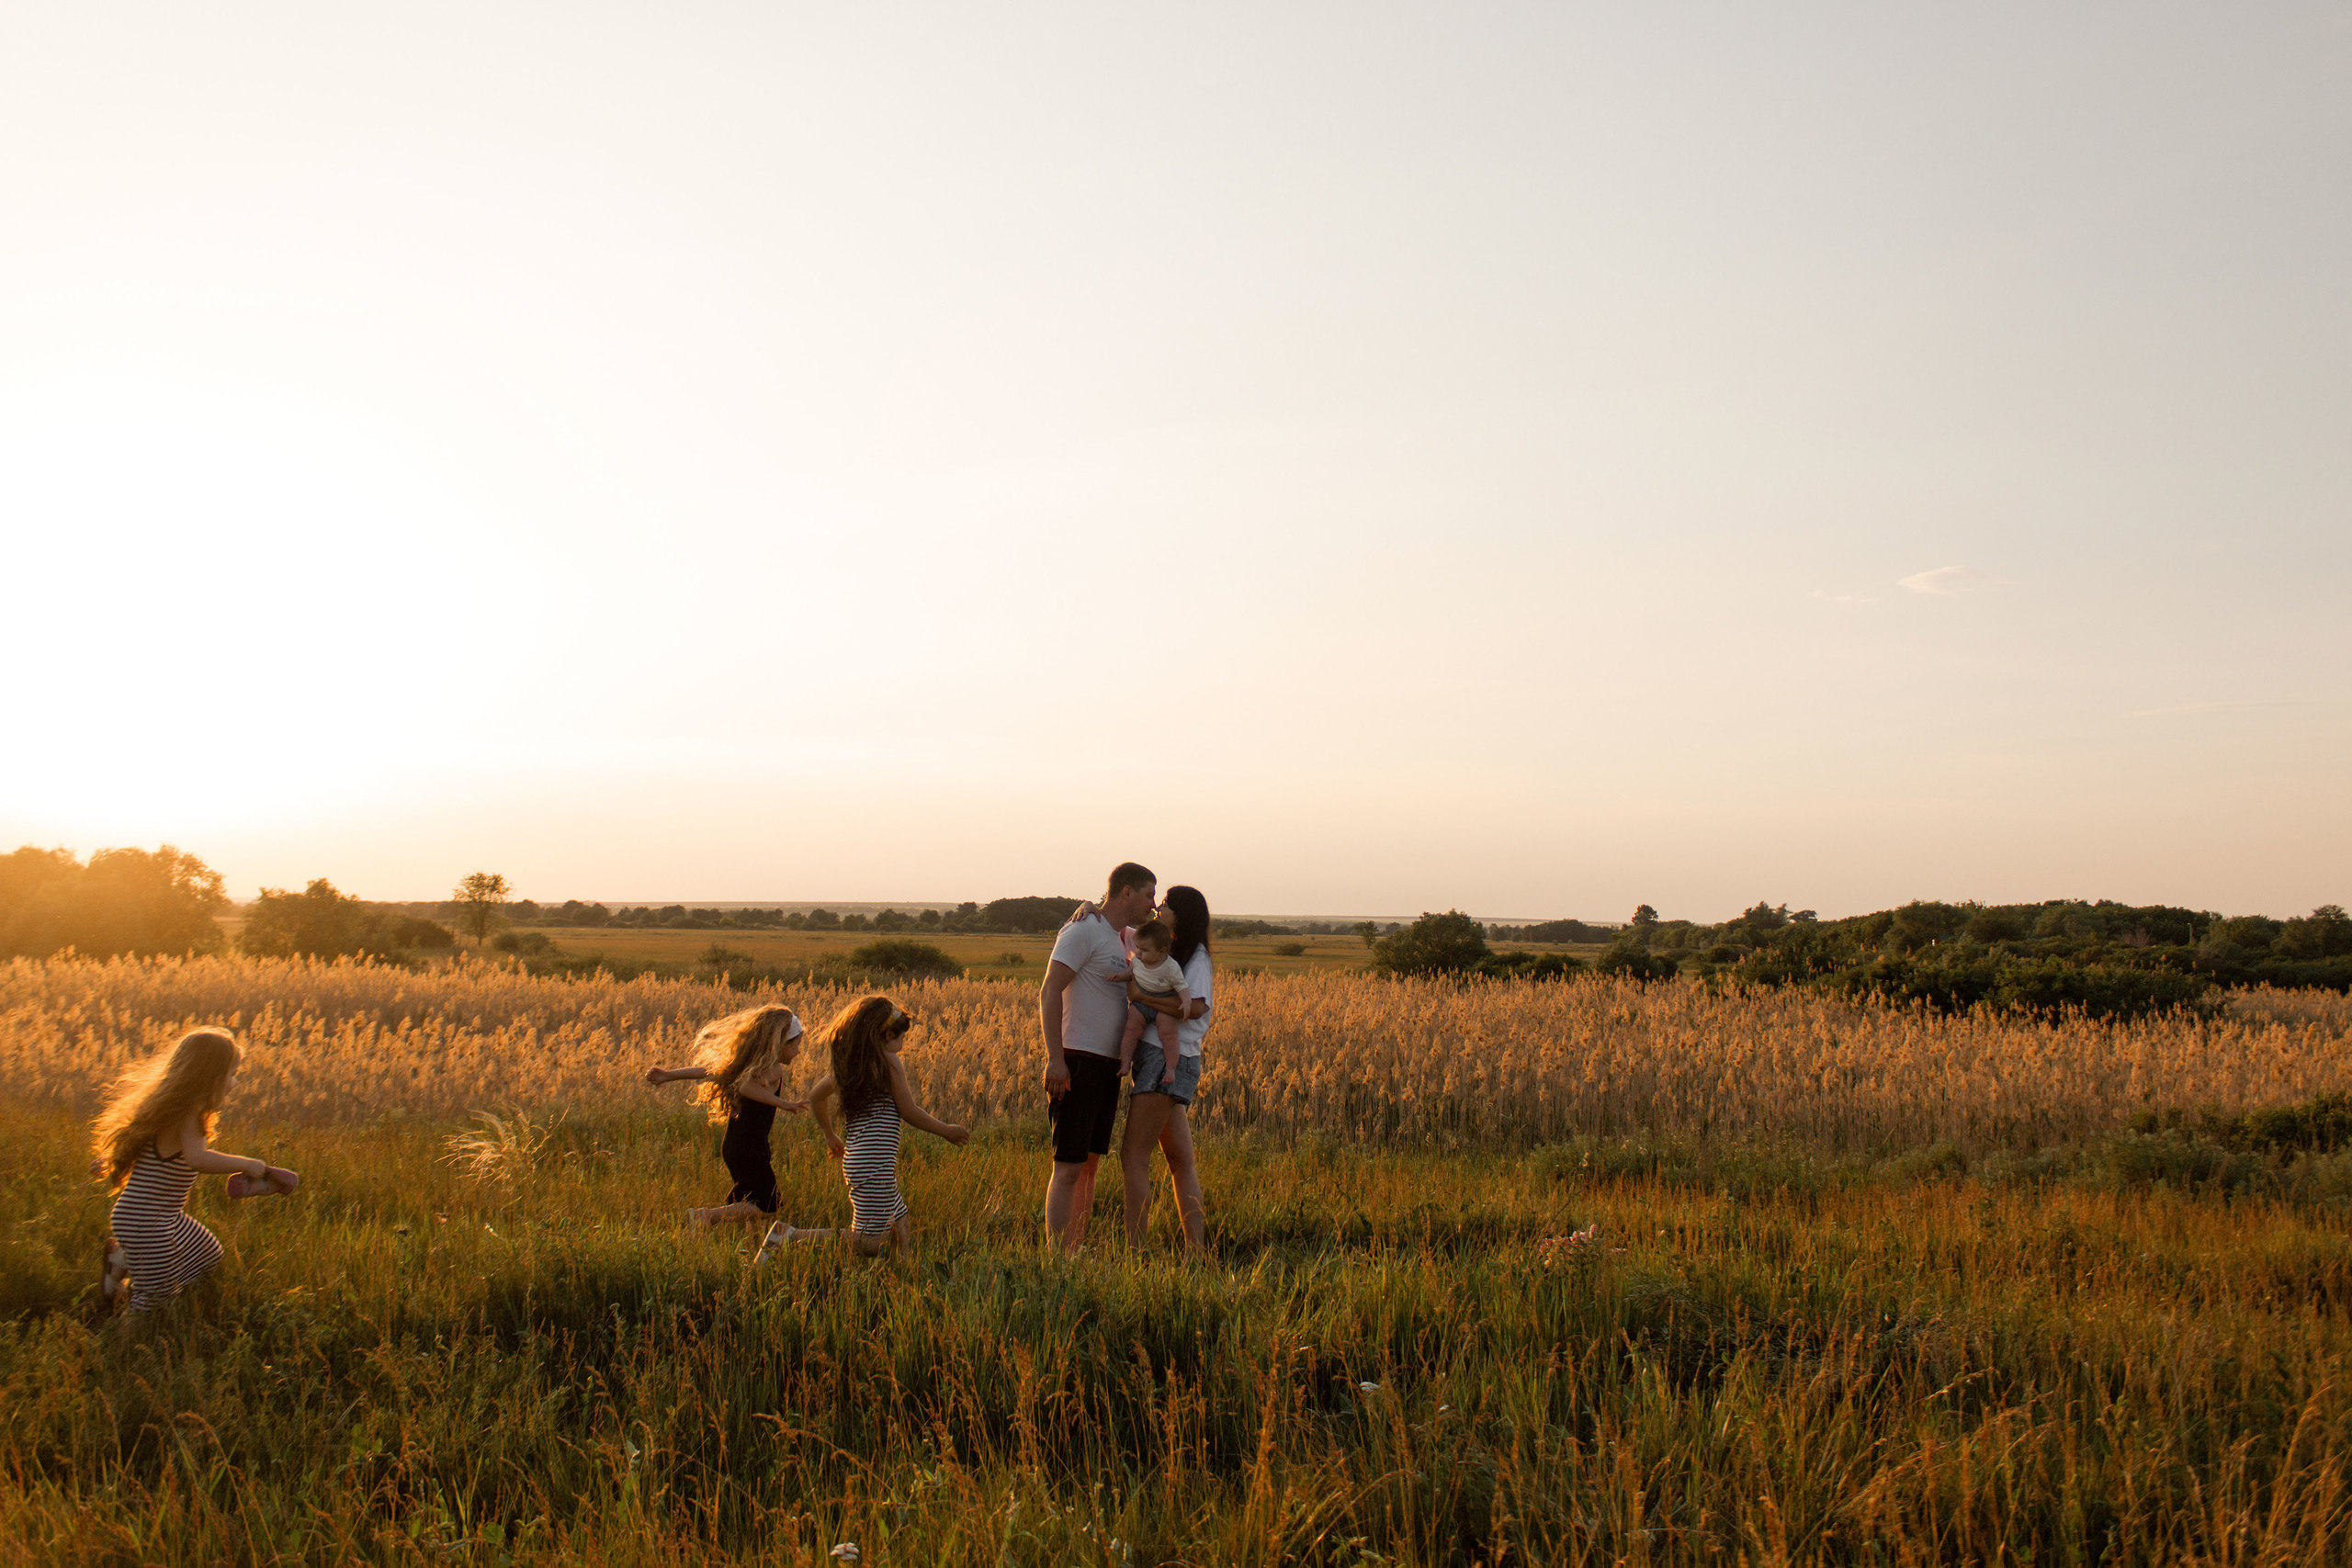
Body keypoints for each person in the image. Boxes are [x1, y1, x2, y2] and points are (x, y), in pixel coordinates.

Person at [91, 1028, 299, 1316]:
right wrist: (246, 1164)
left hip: (154, 1215)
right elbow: (197, 1159)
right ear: (210, 1076)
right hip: (147, 1221)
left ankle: (120, 1260)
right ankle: (120, 1342)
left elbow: (138, 1142)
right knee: (155, 1298)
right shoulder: (189, 1113)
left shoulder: (169, 1109)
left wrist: (108, 1160)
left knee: (207, 1252)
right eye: (231, 1074)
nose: (234, 1082)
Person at [759, 995, 967, 1260]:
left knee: (899, 1222)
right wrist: (946, 1130)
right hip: (874, 1163)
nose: (902, 1044)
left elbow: (816, 1096)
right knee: (868, 1242)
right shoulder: (889, 1061)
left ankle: (901, 1274)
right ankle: (792, 1236)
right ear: (887, 1034)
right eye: (901, 1037)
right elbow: (909, 1111)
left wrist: (829, 1134)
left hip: (863, 1160)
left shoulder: (850, 1065)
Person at [1039, 862, 1159, 1251]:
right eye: (1148, 895)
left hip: (1108, 1067)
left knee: (1090, 1165)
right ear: (1126, 893)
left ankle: (1076, 1249)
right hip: (1076, 1060)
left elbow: (1164, 941)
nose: (1153, 905)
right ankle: (1058, 1258)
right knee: (1069, 1166)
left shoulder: (1123, 937)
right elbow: (1049, 991)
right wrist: (1055, 1059)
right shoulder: (1082, 930)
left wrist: (1090, 902)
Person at [643, 1002, 808, 1229]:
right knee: (768, 1206)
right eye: (797, 1044)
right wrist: (784, 1103)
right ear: (780, 1044)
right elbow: (746, 1088)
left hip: (736, 1146)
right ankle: (705, 1216)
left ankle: (756, 1248)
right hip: (749, 1148)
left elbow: (708, 1072)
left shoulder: (747, 1066)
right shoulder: (772, 1070)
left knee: (750, 1201)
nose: (799, 1050)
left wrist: (668, 1075)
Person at [1120, 884, 1215, 1251]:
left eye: (1166, 904)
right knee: (1179, 1161)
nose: (1158, 908)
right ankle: (1196, 1252)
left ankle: (1135, 1250)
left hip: (1165, 1060)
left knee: (1133, 1155)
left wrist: (1142, 998)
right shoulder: (1169, 948)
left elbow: (1196, 1008)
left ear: (1182, 913)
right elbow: (1125, 933)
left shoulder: (1197, 958)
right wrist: (1090, 907)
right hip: (1170, 1059)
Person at [1117, 914, 1192, 1076]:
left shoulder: (1171, 967)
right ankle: (1125, 1064)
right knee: (1130, 1030)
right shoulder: (1137, 959)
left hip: (1163, 1004)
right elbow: (1130, 973)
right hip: (1140, 1006)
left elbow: (1181, 986)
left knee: (1169, 1035)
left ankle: (1171, 1069)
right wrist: (1120, 976)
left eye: (1144, 950)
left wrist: (1186, 1001)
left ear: (1161, 951)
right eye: (1137, 948)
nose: (1138, 953)